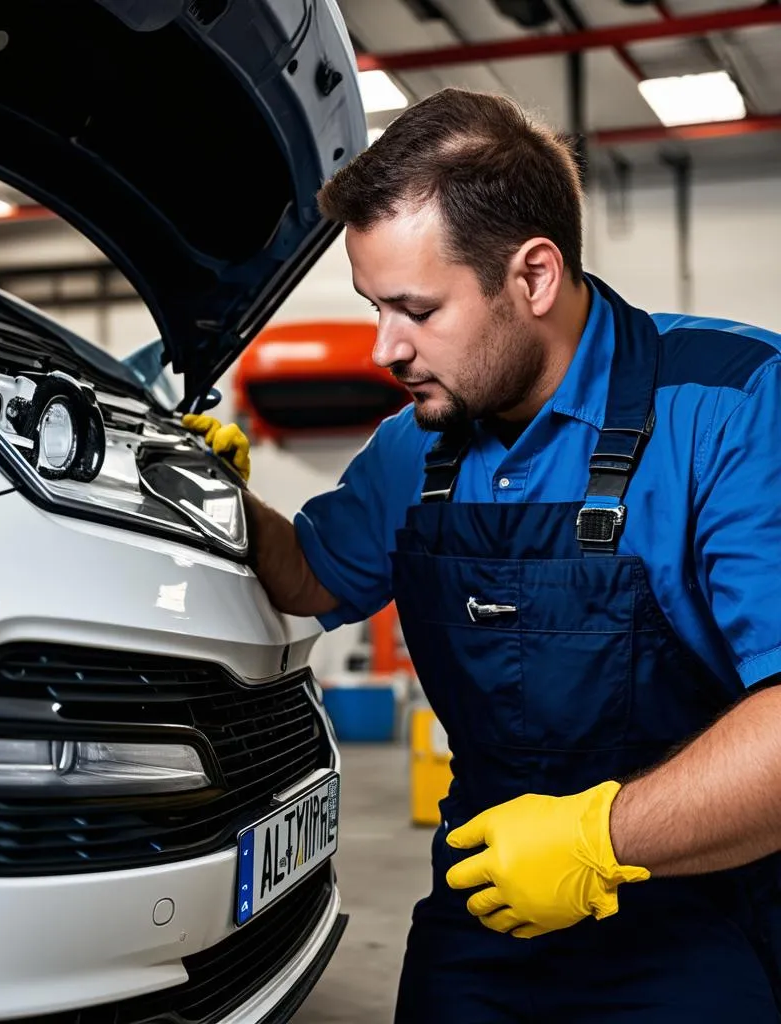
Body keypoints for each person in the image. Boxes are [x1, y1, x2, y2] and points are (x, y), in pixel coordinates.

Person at [185, 86, 781, 1022]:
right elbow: (309, 575)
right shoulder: (414, 446)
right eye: (372, 305)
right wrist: (222, 497)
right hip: (484, 911)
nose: (385, 345)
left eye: (415, 309)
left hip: (700, 913)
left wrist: (599, 839)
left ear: (533, 278)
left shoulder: (733, 407)